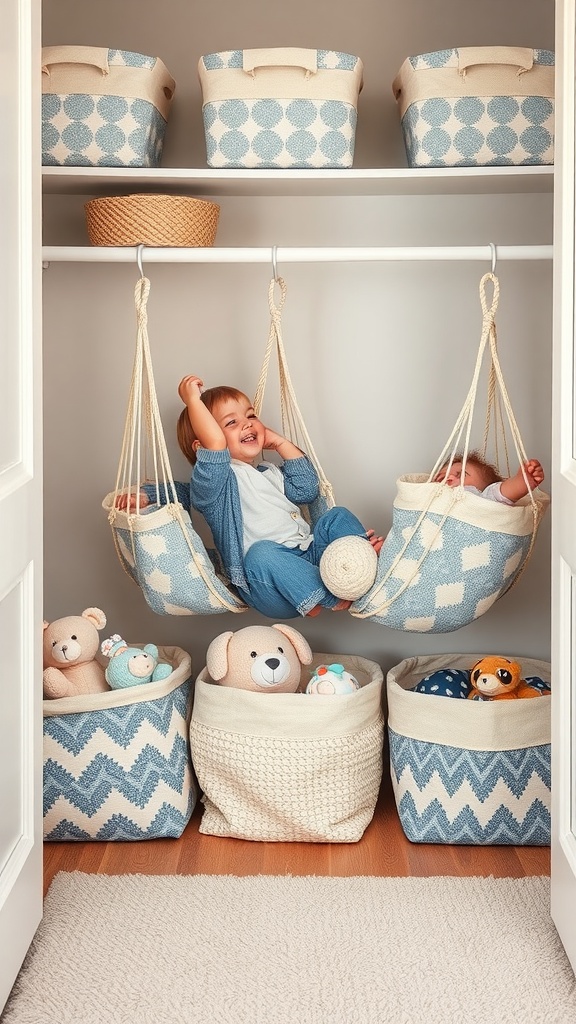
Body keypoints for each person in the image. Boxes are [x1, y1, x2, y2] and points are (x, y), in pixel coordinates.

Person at [118, 375, 383, 620]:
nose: (247, 423)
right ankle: (327, 596)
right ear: (203, 448)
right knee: (261, 554)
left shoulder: (269, 473)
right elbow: (202, 465)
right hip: (267, 582)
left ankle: (358, 561)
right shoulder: (216, 485)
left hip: (309, 557)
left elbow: (307, 489)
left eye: (251, 416)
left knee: (335, 516)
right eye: (231, 422)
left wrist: (279, 443)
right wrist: (192, 402)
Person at [433, 451, 545, 504]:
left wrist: (521, 482)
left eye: (461, 475)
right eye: (442, 476)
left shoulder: (481, 498)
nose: (449, 477)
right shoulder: (429, 493)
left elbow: (502, 493)